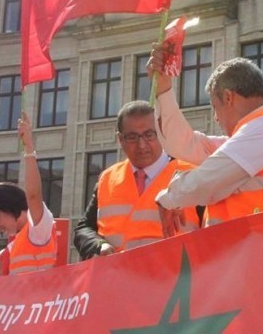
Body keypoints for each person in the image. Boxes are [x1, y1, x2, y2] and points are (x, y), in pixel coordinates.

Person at [146, 53, 263, 233]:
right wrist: (163, 88)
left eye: (214, 107)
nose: (215, 118)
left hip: (258, 249)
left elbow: (206, 181)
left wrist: (168, 198)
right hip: (242, 249)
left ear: (228, 98)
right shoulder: (254, 133)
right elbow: (183, 144)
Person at [74, 101, 199, 260]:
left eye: (149, 135)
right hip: (117, 279)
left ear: (161, 132)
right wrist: (99, 246)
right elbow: (84, 229)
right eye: (132, 137)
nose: (142, 145)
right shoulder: (108, 179)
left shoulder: (191, 174)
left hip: (175, 281)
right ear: (120, 139)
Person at [0, 111, 57, 275]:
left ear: (7, 205)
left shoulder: (38, 230)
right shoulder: (12, 248)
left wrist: (28, 147)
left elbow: (34, 195)